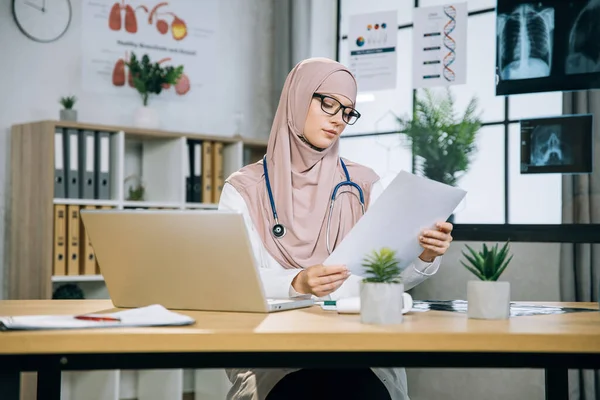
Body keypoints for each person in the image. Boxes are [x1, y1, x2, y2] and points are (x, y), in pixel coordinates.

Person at [218, 57, 454, 400]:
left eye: (347, 112)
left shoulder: (364, 183)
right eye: (328, 103)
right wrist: (296, 282)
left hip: (357, 351)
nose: (338, 120)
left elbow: (385, 280)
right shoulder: (243, 189)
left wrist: (423, 254)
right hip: (279, 356)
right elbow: (230, 280)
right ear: (298, 97)